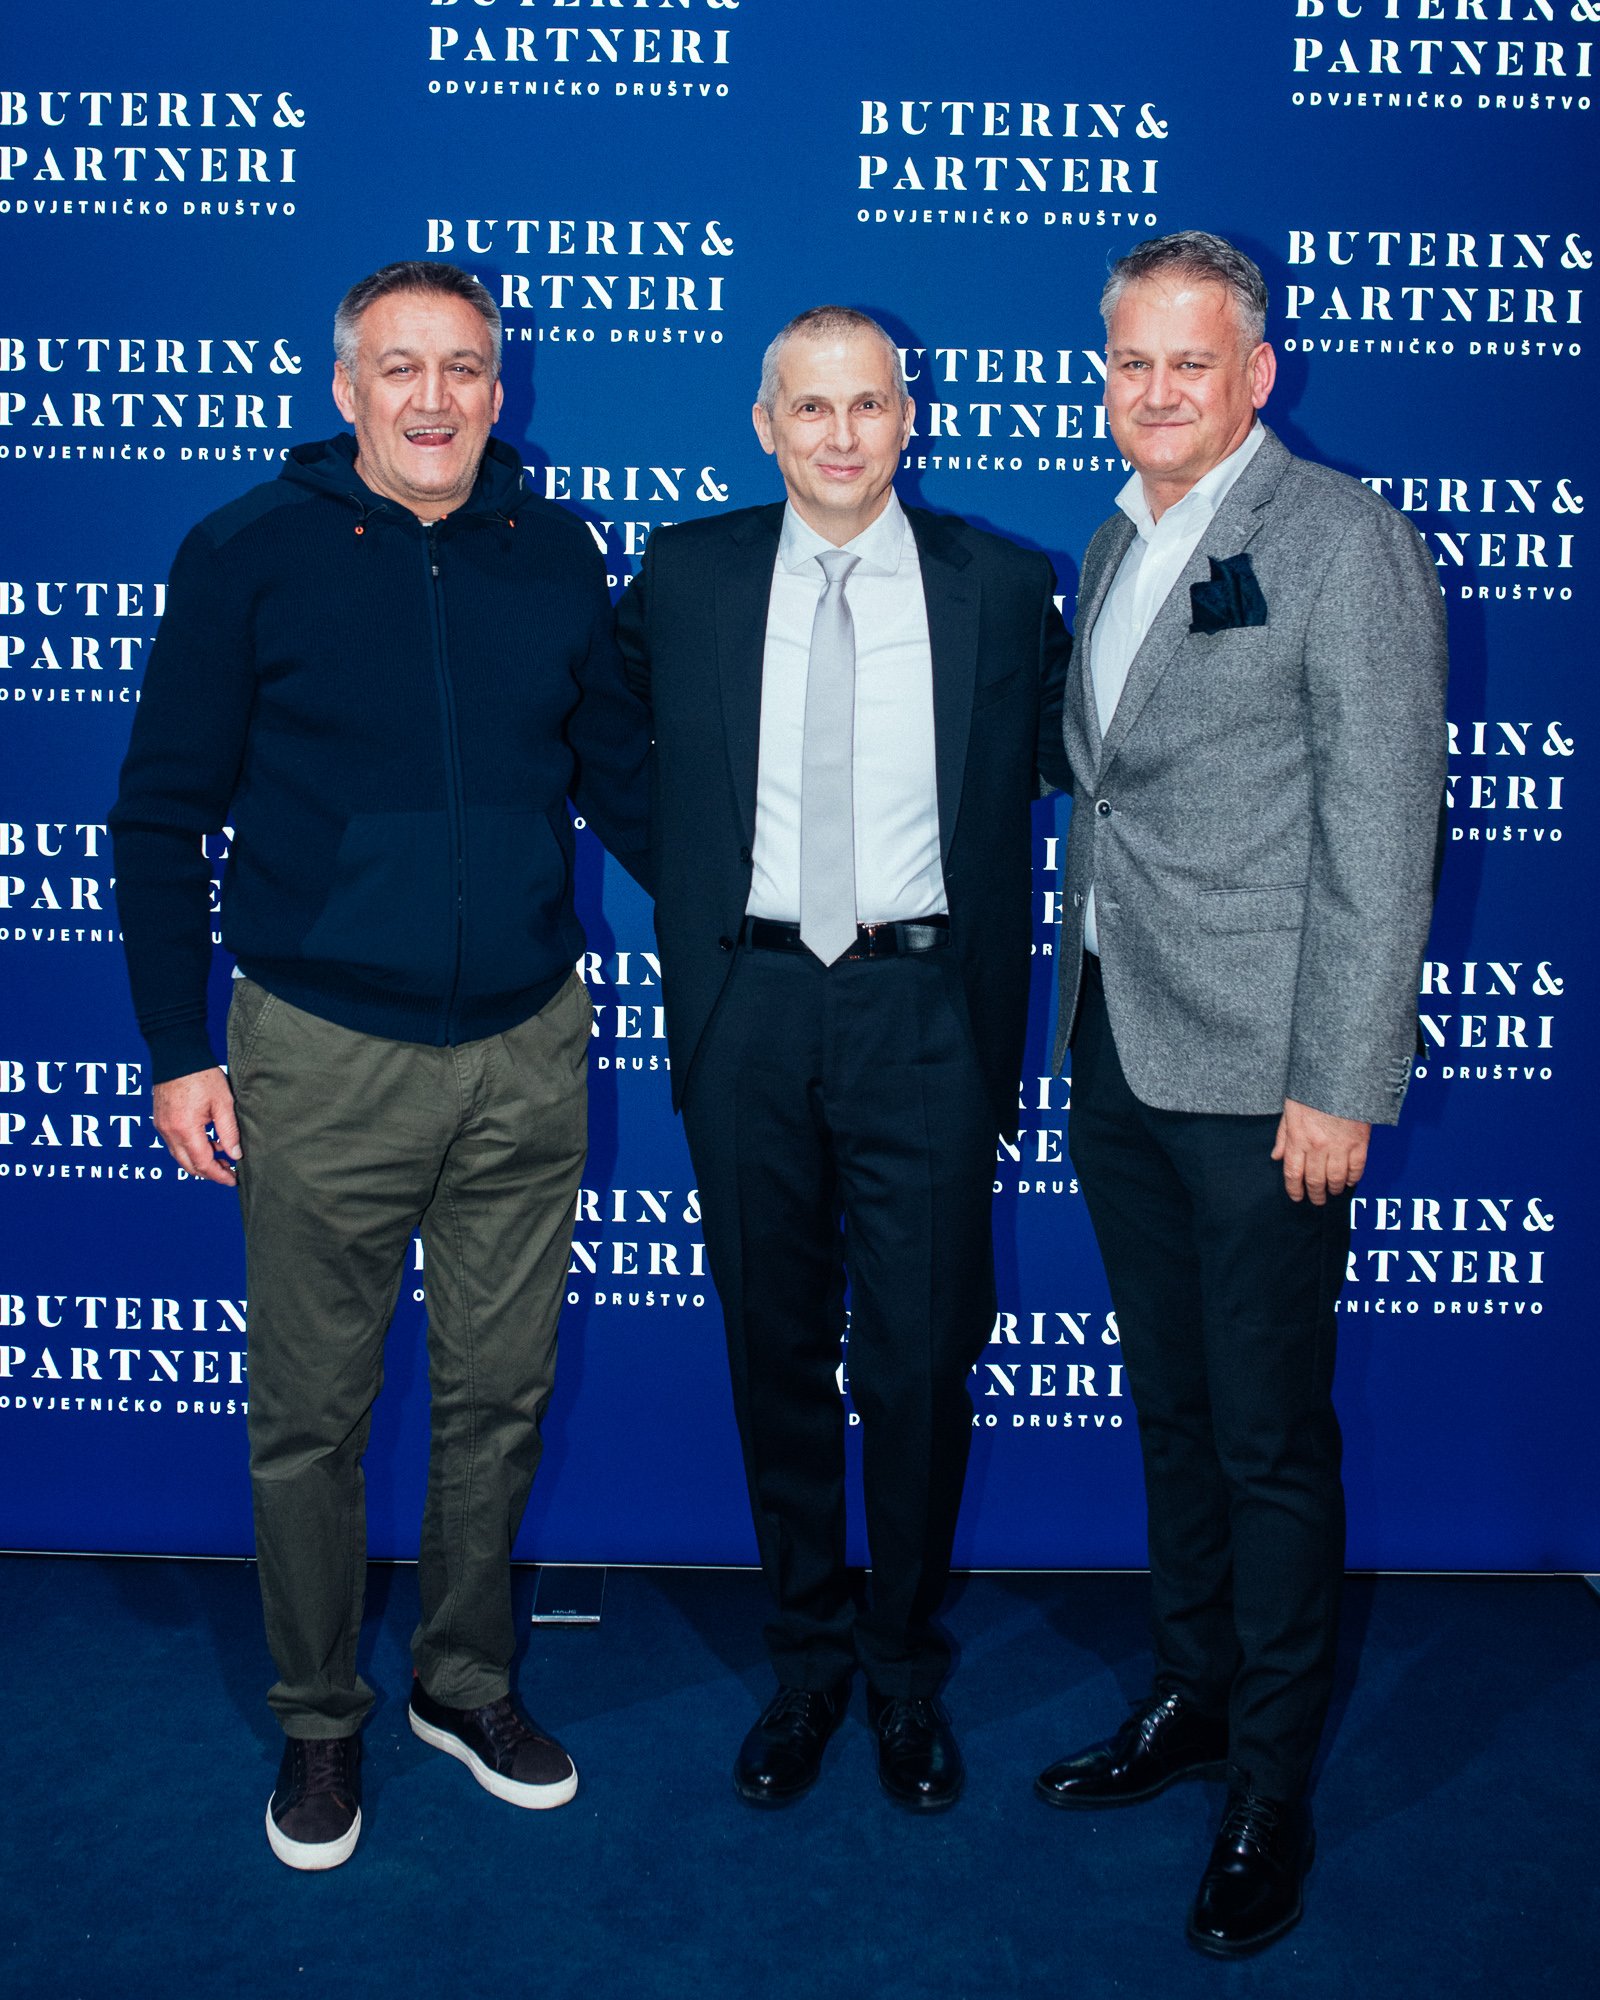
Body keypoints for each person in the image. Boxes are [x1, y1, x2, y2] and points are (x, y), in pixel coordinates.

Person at [109, 260, 650, 1871]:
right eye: (400, 368)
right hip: (320, 1054)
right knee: (313, 1418)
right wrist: (170, 1047)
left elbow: (625, 786)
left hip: (525, 1049)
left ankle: (463, 1683)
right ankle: (320, 1718)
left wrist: (777, 917)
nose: (434, 399)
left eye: (466, 368)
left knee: (498, 1398)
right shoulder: (244, 555)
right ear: (346, 389)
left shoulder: (557, 552)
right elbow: (155, 816)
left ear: (503, 388)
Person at [1039, 232, 1447, 1954]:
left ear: (1256, 374)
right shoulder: (1117, 533)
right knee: (1177, 1413)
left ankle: (1268, 1786)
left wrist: (1338, 1083)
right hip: (1122, 1047)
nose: (1155, 392)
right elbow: (1114, 797)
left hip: (1270, 1081)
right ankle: (1192, 1696)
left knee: (1270, 1441)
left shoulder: (1342, 541)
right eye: (1131, 363)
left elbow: (1380, 828)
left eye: (1188, 365)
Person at [617, 305, 1071, 1813]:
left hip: (922, 1015)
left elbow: (1100, 762)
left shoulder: (1001, 587)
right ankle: (807, 1663)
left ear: (907, 416)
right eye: (808, 408)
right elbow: (597, 744)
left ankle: (899, 1669)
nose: (838, 436)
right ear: (764, 424)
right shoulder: (681, 576)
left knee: (924, 1360)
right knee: (773, 1353)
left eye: (867, 405)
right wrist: (701, 892)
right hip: (749, 1006)